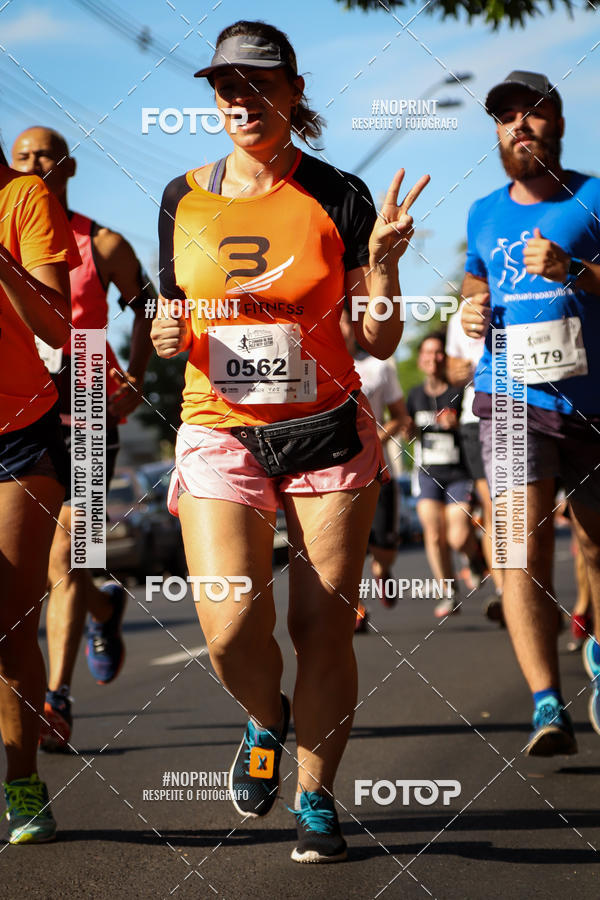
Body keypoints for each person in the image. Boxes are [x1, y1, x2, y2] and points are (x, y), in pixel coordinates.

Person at [151, 20, 429, 863]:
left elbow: (379, 342)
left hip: (328, 434)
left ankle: (315, 796)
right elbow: (171, 312)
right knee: (232, 626)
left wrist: (381, 266)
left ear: (294, 91)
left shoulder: (339, 195)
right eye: (227, 87)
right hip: (219, 427)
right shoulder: (180, 196)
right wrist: (164, 329)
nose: (242, 99)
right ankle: (265, 717)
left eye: (260, 83)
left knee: (323, 627)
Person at [461, 71, 600, 755]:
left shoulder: (595, 196)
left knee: (598, 545)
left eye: (533, 112)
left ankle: (595, 647)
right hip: (511, 397)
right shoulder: (484, 211)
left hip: (594, 400)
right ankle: (548, 701)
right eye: (506, 115)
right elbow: (474, 272)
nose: (519, 124)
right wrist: (468, 302)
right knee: (521, 547)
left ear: (559, 122)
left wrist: (576, 270)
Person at [11, 127, 156, 751]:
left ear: (68, 165)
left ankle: (56, 699)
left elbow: (150, 305)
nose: (34, 163)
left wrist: (138, 380)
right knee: (60, 562)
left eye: (45, 154)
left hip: (92, 388)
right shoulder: (8, 214)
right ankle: (103, 609)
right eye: (23, 155)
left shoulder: (102, 242)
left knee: (70, 554)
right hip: (22, 394)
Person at [0, 145, 80, 842]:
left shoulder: (23, 199)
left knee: (12, 619)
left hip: (21, 431)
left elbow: (61, 328)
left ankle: (21, 778)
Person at [405, 332, 485, 618]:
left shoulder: (459, 391)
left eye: (439, 352)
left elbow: (475, 425)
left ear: (446, 357)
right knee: (433, 533)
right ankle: (448, 593)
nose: (433, 358)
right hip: (428, 473)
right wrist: (406, 430)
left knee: (458, 536)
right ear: (420, 359)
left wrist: (457, 425)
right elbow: (408, 429)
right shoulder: (414, 395)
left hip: (459, 473)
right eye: (427, 352)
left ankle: (475, 557)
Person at [339, 305, 408, 629]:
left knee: (383, 549)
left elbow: (401, 417)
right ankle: (355, 608)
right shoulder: (314, 366)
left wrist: (375, 436)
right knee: (343, 546)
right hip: (334, 470)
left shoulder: (379, 367)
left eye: (344, 320)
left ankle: (382, 570)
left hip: (376, 466)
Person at [446, 303, 504, 622]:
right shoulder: (462, 315)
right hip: (478, 416)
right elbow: (454, 369)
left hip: (528, 411)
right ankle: (505, 591)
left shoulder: (525, 298)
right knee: (495, 505)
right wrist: (472, 367)